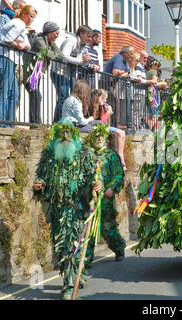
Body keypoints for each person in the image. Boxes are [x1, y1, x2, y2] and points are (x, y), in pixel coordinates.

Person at [33, 118, 102, 300]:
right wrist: (38, 186)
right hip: (56, 210)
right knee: (60, 249)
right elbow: (41, 177)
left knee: (72, 247)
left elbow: (92, 179)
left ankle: (70, 285)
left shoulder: (85, 154)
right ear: (56, 134)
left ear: (74, 134)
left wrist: (96, 186)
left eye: (68, 133)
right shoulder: (48, 154)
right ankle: (76, 275)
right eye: (61, 134)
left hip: (76, 210)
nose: (65, 137)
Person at [84, 124, 125, 267]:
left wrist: (111, 188)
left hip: (106, 200)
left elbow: (119, 174)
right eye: (96, 136)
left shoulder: (111, 155)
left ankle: (119, 248)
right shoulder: (86, 155)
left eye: (102, 136)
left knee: (109, 229)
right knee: (88, 230)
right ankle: (86, 258)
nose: (99, 139)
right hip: (89, 201)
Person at [0, 5, 37, 128]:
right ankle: (2, 122)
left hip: (10, 59)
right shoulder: (19, 23)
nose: (32, 20)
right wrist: (18, 45)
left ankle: (9, 122)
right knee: (6, 90)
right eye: (31, 16)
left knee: (14, 93)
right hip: (5, 57)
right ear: (23, 14)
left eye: (33, 17)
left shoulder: (21, 24)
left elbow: (28, 44)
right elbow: (7, 39)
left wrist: (23, 45)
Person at [24, 21, 65, 125]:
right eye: (56, 33)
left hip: (37, 72)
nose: (57, 36)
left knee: (36, 96)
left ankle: (36, 122)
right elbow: (47, 53)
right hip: (29, 72)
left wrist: (54, 54)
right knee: (36, 95)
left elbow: (61, 55)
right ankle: (35, 123)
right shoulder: (39, 39)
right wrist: (53, 55)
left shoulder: (50, 42)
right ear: (49, 32)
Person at [53, 25, 91, 123]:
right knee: (63, 97)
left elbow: (79, 62)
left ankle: (66, 122)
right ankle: (57, 123)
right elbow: (65, 56)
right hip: (59, 71)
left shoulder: (83, 46)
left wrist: (84, 61)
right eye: (88, 36)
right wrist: (80, 60)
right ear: (81, 34)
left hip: (68, 74)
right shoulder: (71, 40)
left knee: (67, 98)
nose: (90, 39)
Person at [89, 89, 126, 169]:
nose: (106, 100)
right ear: (100, 97)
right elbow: (102, 121)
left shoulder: (102, 105)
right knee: (120, 133)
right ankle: (120, 158)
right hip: (100, 126)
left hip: (104, 126)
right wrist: (108, 112)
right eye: (105, 98)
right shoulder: (95, 106)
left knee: (122, 133)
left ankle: (121, 157)